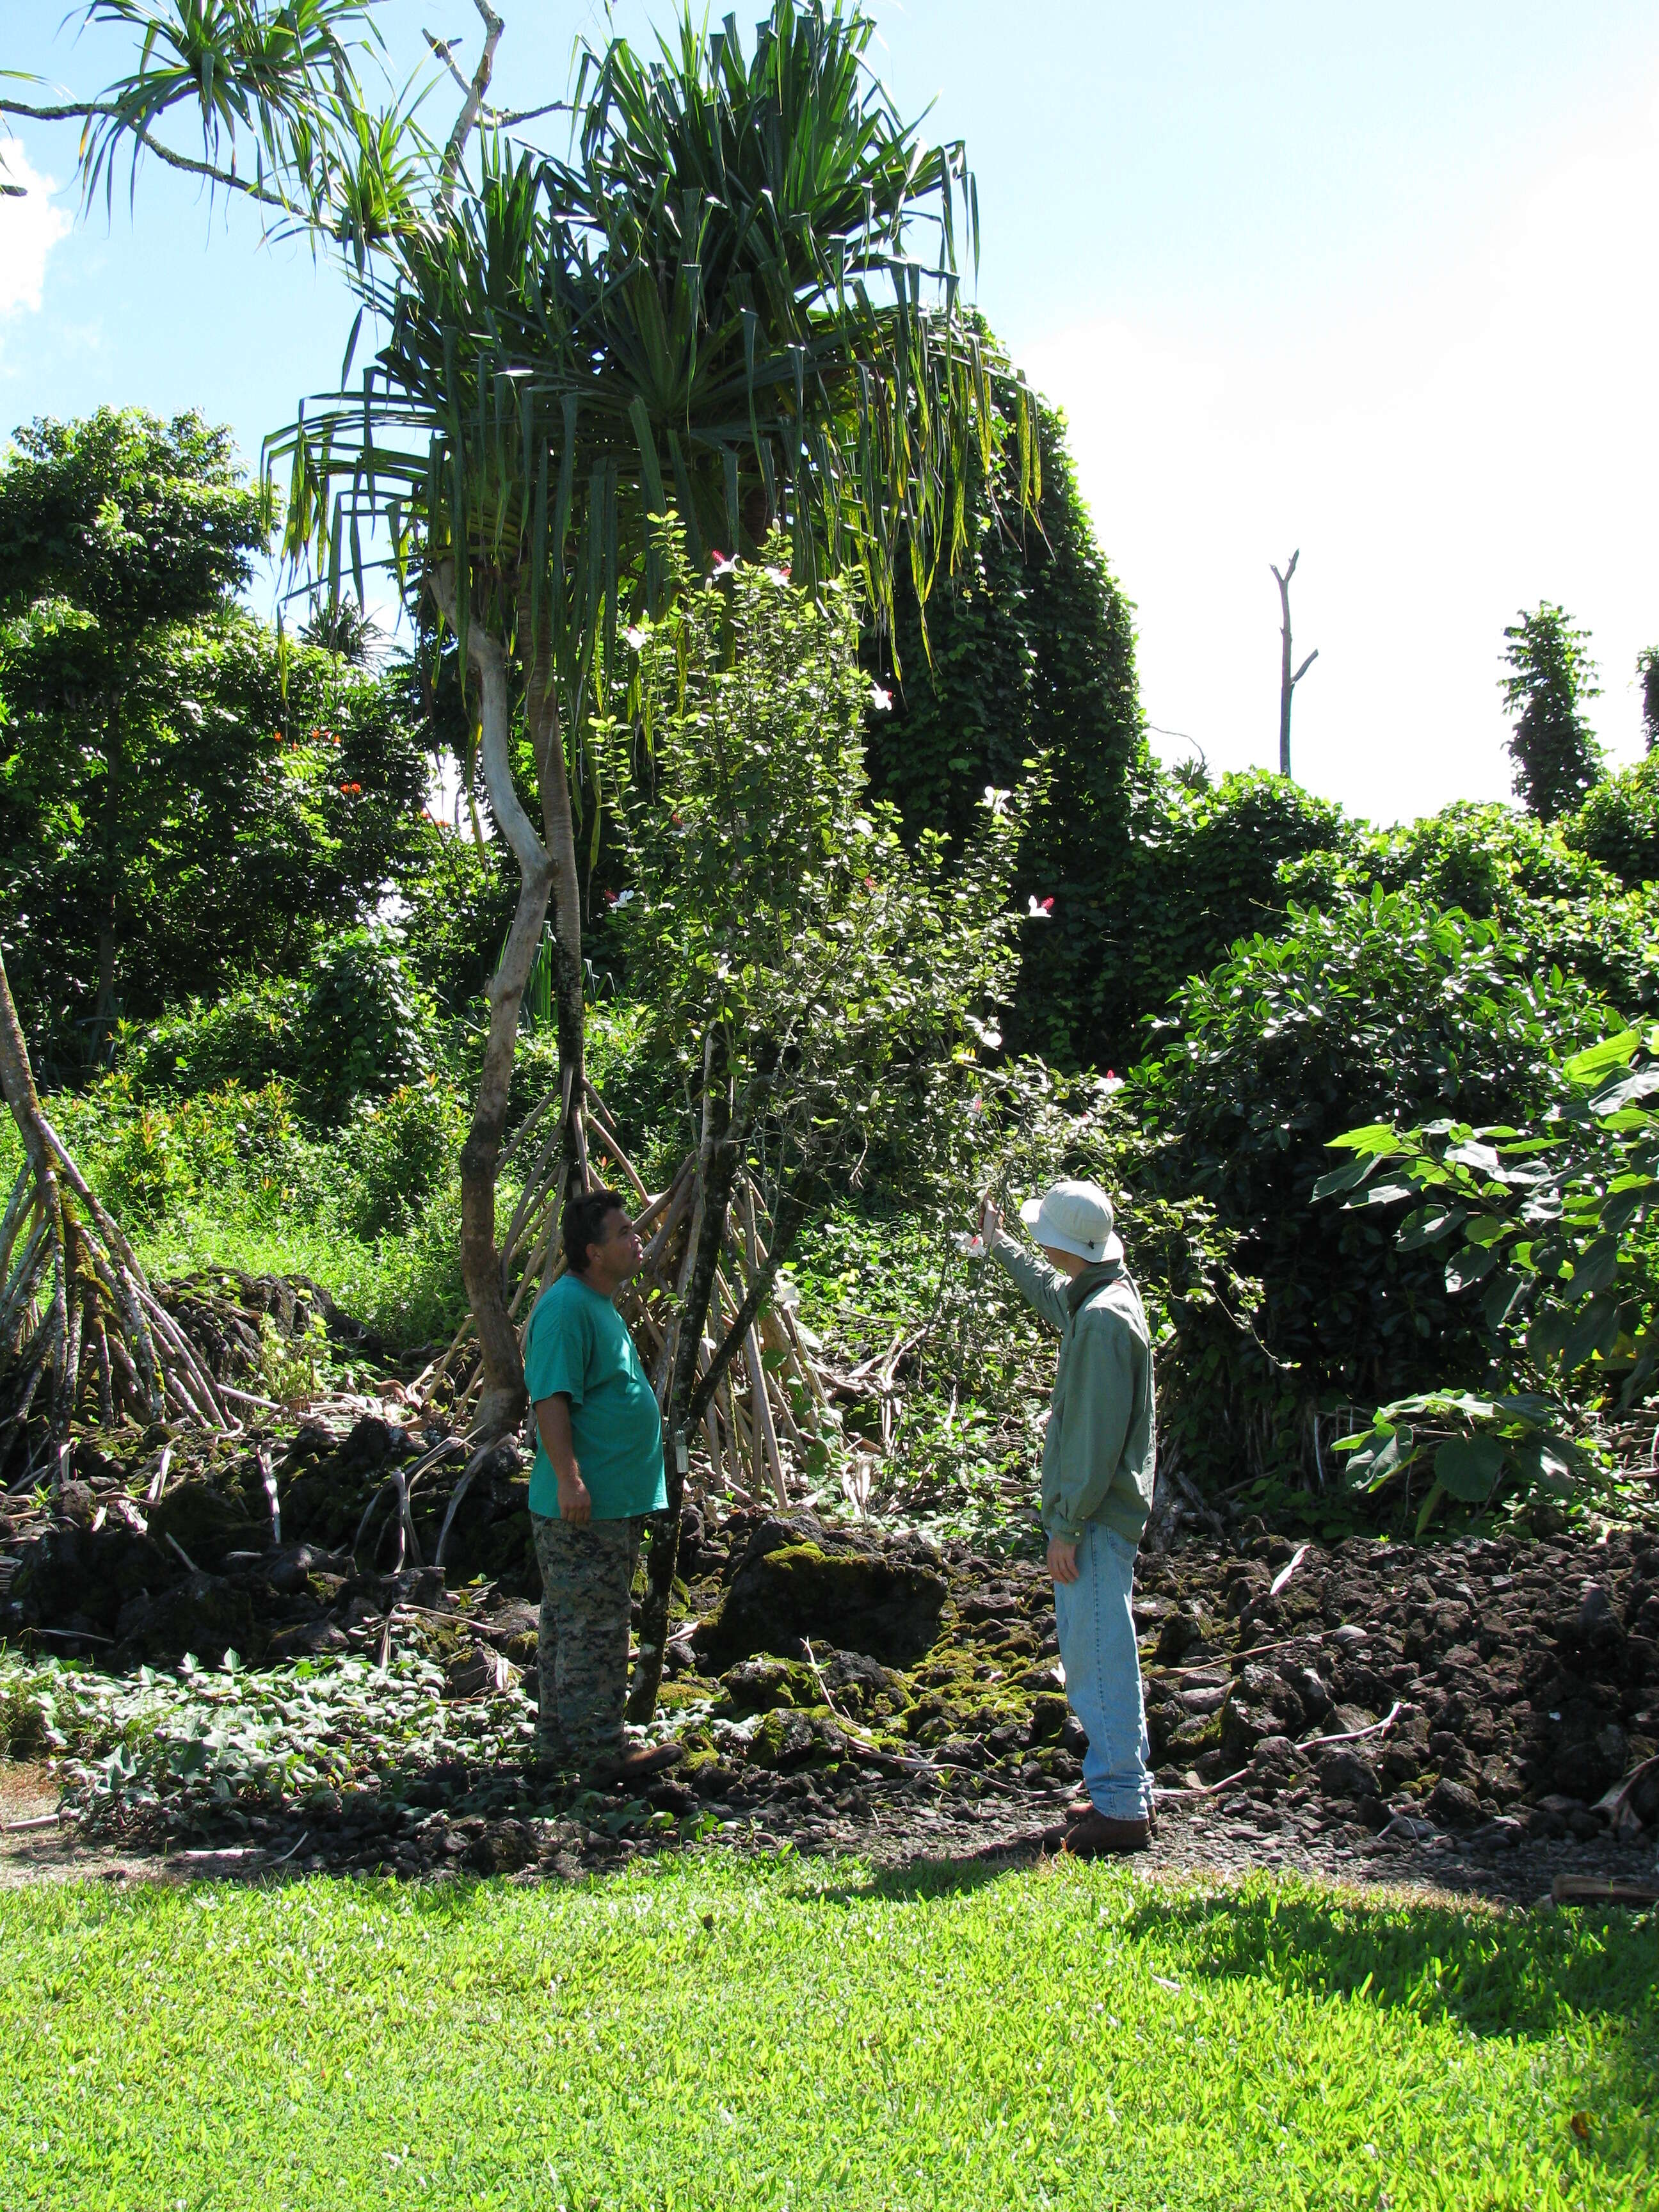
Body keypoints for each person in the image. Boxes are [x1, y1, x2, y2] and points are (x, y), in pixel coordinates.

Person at [978, 1179, 1157, 1855]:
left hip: (1095, 1518)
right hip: (1102, 1514)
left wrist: (1067, 1525)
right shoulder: (1102, 1295)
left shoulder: (1104, 1320)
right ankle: (1124, 1789)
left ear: (1060, 1243)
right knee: (1106, 1648)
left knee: (1097, 1657)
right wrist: (998, 1250)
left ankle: (1119, 1808)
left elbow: (1091, 1436)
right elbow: (1055, 1300)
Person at [524, 1185, 683, 1787]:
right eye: (623, 1234)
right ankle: (598, 1755)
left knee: (570, 1621)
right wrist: (571, 1480)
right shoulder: (567, 1309)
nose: (637, 1239)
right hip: (586, 1504)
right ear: (592, 1251)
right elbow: (551, 1398)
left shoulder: (598, 1304)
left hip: (607, 1502)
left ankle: (562, 1746)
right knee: (595, 1625)